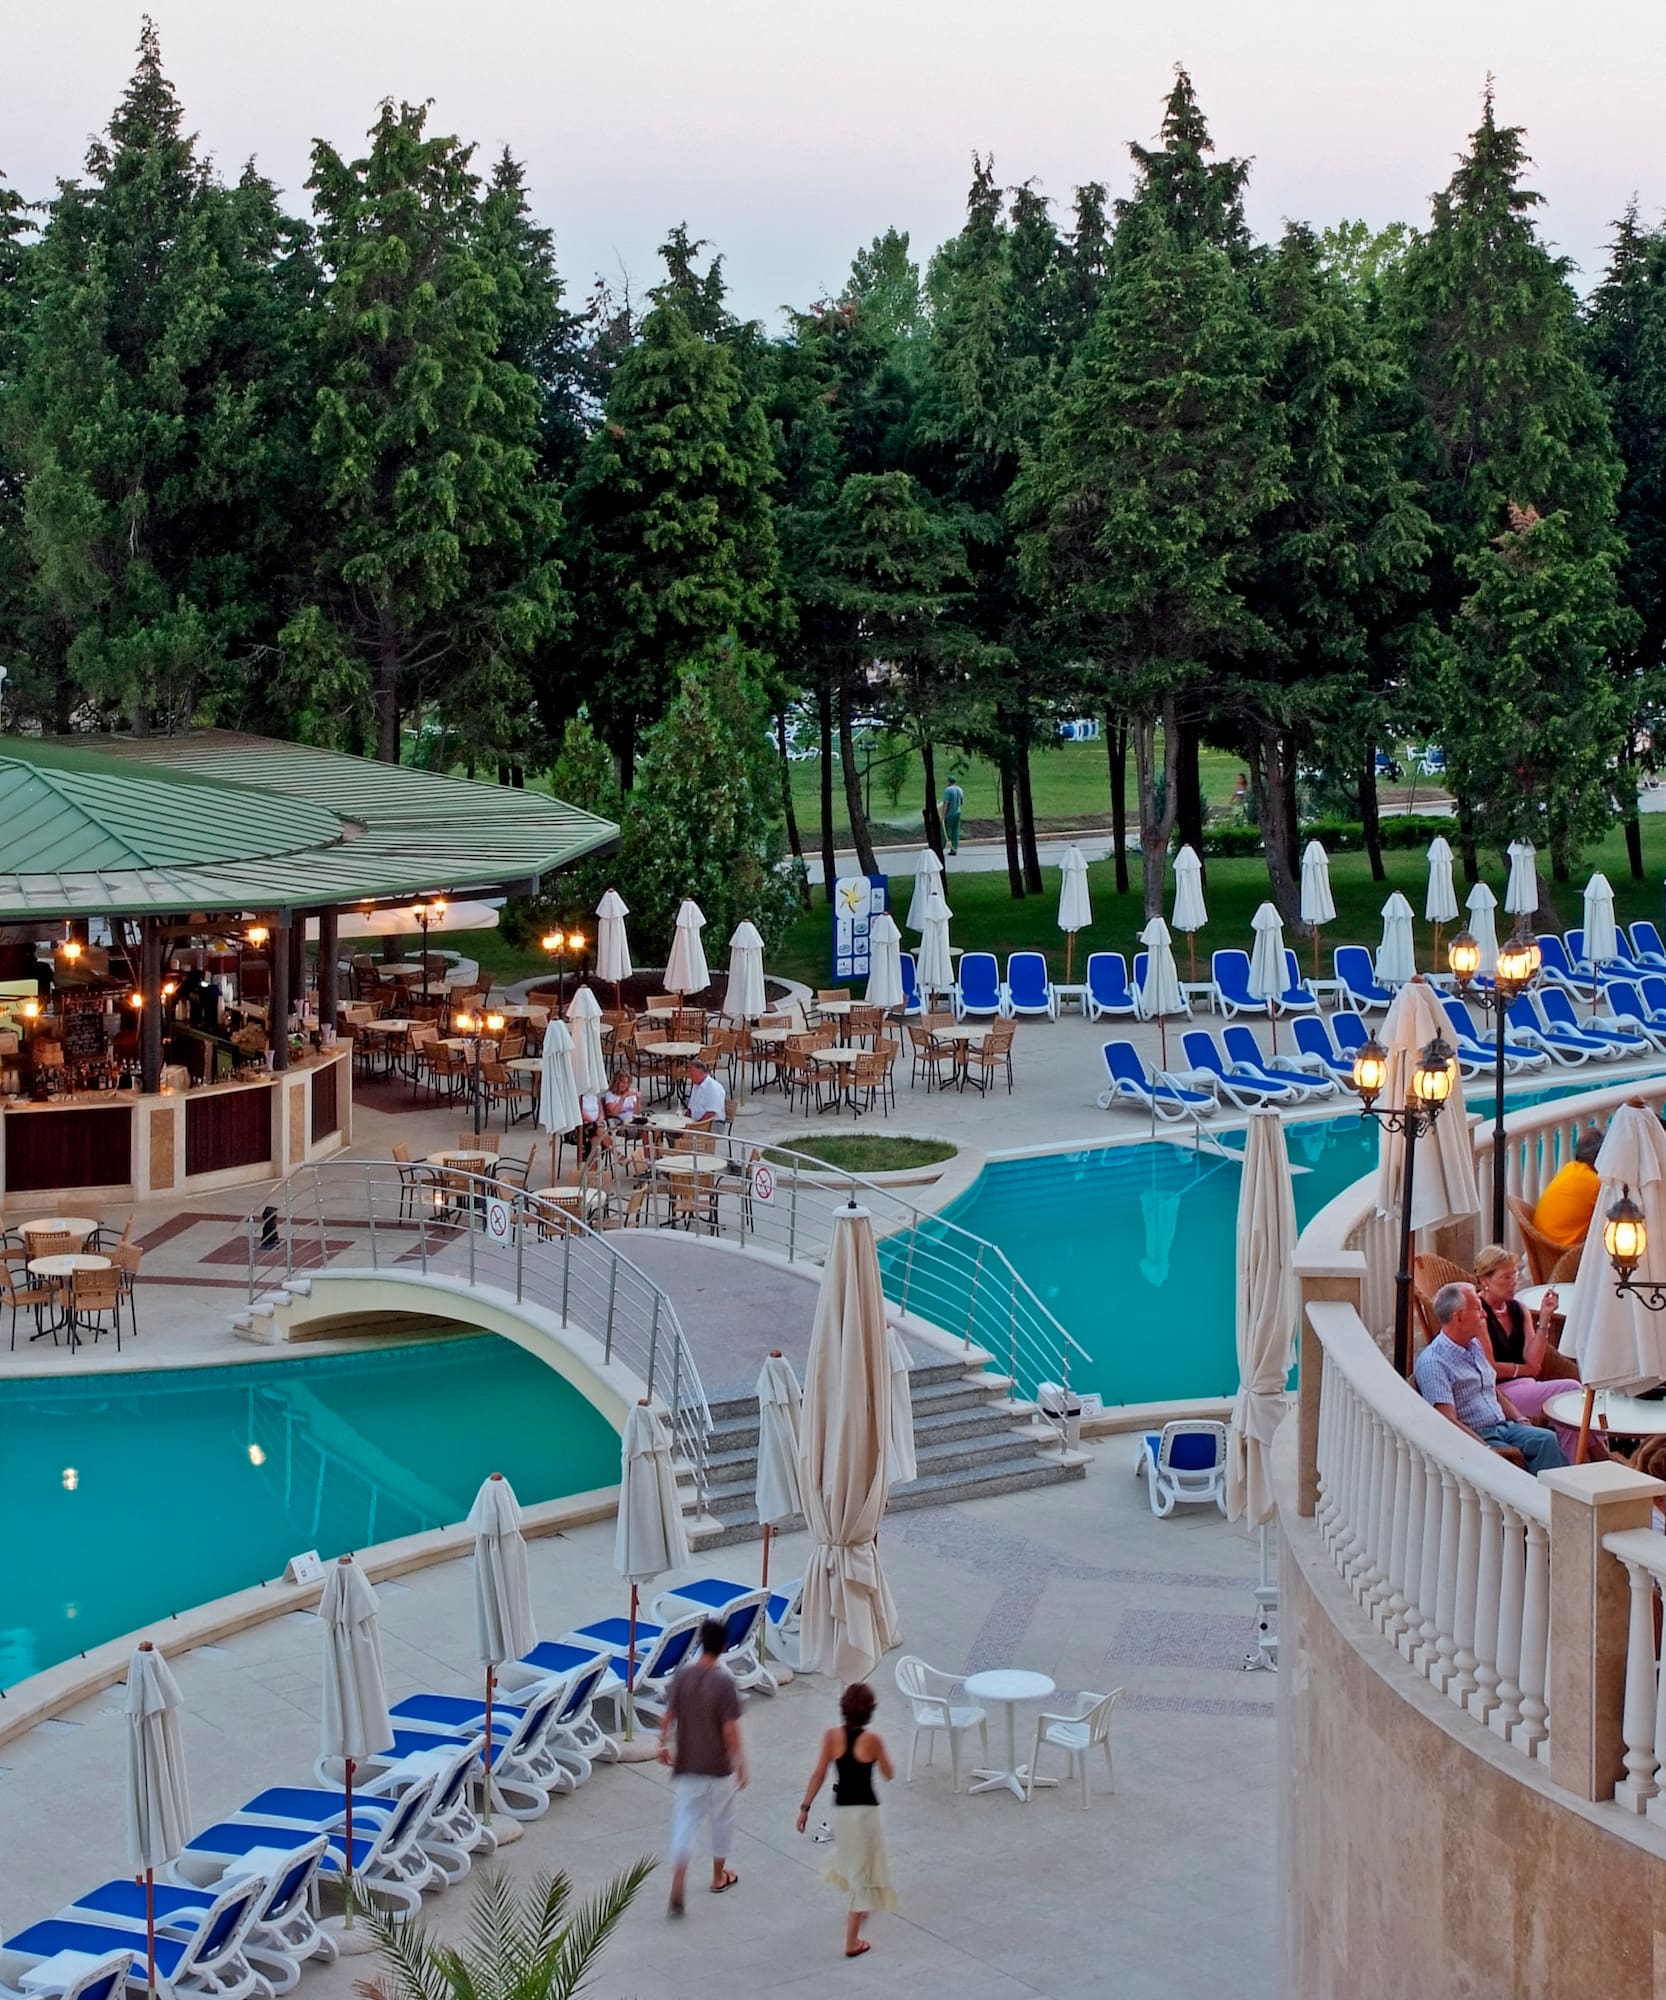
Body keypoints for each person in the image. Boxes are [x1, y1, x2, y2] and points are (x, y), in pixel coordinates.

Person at [1413, 1281, 1568, 1474]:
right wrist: (1484, 1449)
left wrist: (1520, 1419)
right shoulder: (1434, 1362)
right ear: (1459, 1317)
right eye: (1478, 1309)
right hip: (1479, 1435)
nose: (1485, 1314)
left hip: (1504, 1426)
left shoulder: (1474, 1346)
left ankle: (1557, 1498)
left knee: (1546, 1439)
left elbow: (1493, 1390)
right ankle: (1538, 1499)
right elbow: (1446, 1420)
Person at [796, 1682, 898, 1959]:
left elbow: (818, 1774)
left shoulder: (832, 1737)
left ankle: (860, 1907)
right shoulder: (872, 1741)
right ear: (869, 1713)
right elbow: (890, 1773)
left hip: (841, 1812)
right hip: (866, 1812)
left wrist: (805, 1807)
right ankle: (852, 1941)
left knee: (856, 1861)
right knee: (863, 1873)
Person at [1472, 1243, 1597, 1462]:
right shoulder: (1478, 1313)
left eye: (1515, 1275)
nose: (1514, 1282)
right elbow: (1490, 1367)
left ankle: (1576, 1460)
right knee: (1571, 1390)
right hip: (1498, 1394)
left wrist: (1545, 1318)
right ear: (1485, 1280)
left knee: (1575, 1401)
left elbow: (1535, 1363)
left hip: (1528, 1386)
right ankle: (1588, 1460)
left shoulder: (1518, 1309)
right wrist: (1524, 1369)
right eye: (1506, 1277)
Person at [659, 1617, 747, 1917]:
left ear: (700, 1642)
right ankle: (718, 1876)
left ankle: (679, 1876)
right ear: (722, 1647)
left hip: (688, 1765)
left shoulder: (683, 1677)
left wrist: (662, 1744)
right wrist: (741, 1763)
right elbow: (730, 1731)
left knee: (685, 1821)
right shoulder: (724, 1683)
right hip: (719, 1767)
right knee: (722, 1819)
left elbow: (667, 1716)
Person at [1532, 1127, 1604, 1249]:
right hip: (1563, 1252)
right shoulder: (1595, 1183)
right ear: (1600, 1156)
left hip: (1542, 1247)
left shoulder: (1569, 1168)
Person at [686, 1056, 727, 1131]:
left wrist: (696, 1126)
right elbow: (690, 1109)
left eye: (692, 1075)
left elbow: (710, 1114)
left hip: (713, 1123)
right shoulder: (696, 1085)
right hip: (696, 1121)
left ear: (701, 1073)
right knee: (672, 1131)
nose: (690, 1077)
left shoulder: (713, 1087)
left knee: (685, 1135)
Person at [940, 775, 964, 856]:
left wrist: (942, 815)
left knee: (945, 831)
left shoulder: (948, 790)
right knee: (955, 831)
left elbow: (946, 803)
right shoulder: (960, 789)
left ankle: (940, 848)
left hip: (950, 814)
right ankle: (954, 849)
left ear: (949, 782)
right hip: (958, 813)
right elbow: (961, 802)